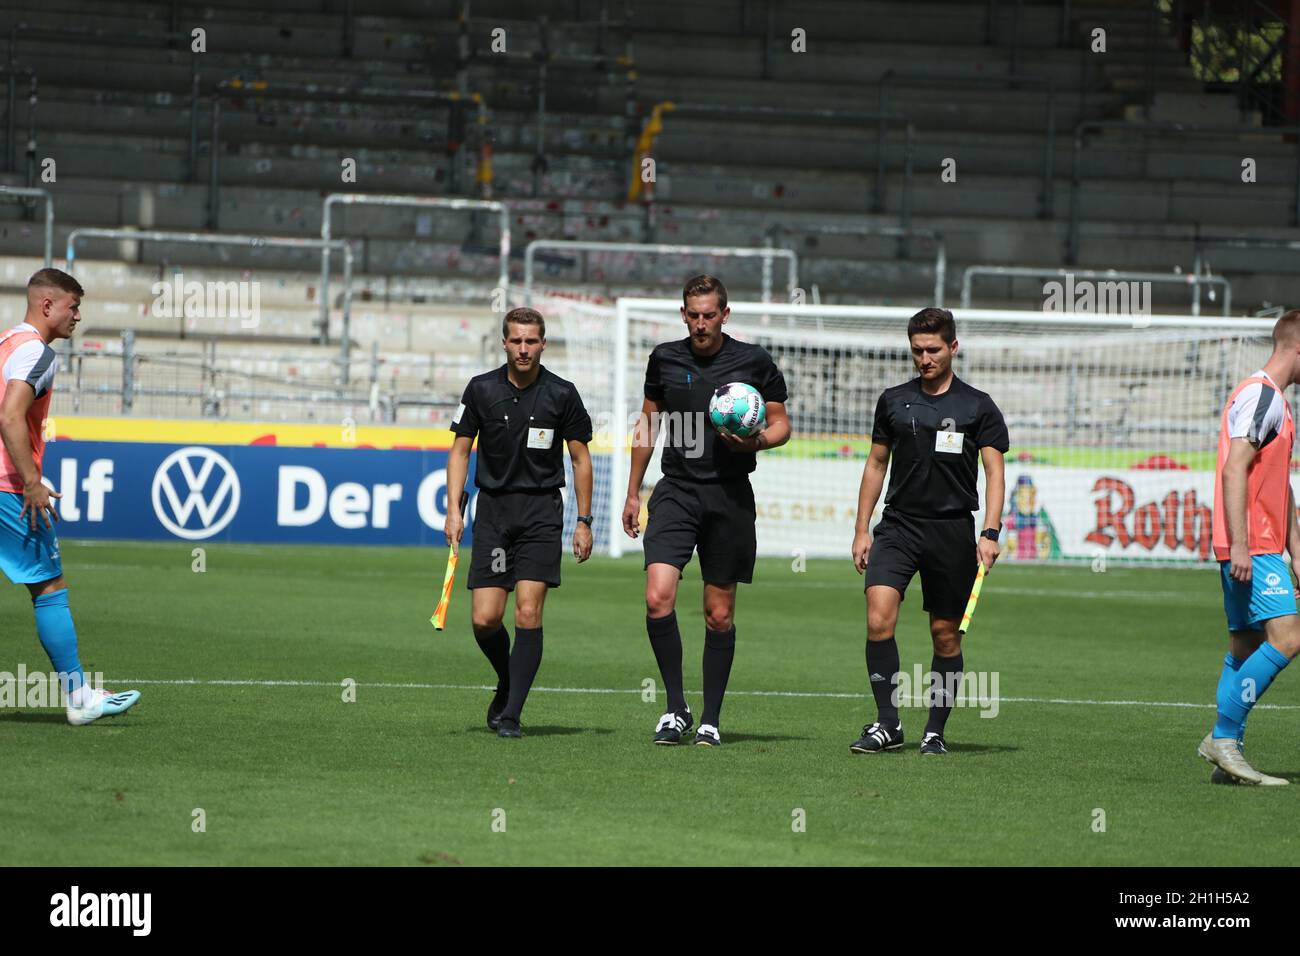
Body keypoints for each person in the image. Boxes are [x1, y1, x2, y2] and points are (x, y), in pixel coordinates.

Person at [622, 275, 790, 747]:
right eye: (693, 315)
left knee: (718, 614)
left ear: (725, 314)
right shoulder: (665, 359)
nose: (700, 323)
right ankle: (676, 709)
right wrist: (634, 491)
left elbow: (781, 424)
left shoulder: (753, 361)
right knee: (658, 596)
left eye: (709, 315)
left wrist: (756, 440)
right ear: (683, 315)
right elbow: (647, 423)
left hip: (729, 495)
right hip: (675, 490)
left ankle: (711, 720)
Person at [851, 307, 1007, 755]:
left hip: (952, 531)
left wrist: (990, 532)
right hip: (897, 526)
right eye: (917, 350)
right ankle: (887, 723)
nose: (925, 358)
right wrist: (863, 528)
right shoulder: (893, 400)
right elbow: (876, 463)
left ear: (953, 347)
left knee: (944, 634)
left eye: (933, 349)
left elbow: (995, 474)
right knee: (878, 616)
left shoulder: (978, 406)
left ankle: (935, 730)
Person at [444, 307, 594, 738]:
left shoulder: (562, 394)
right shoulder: (480, 389)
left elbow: (581, 458)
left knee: (528, 612)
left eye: (532, 341)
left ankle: (511, 713)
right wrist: (454, 509)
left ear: (543, 344)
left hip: (541, 515)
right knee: (485, 619)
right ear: (504, 343)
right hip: (493, 513)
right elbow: (460, 450)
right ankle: (508, 678)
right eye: (517, 341)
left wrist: (584, 520)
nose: (524, 348)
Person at [0, 268, 140, 725]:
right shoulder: (37, 353)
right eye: (72, 306)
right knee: (49, 587)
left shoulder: (5, 344)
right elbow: (10, 417)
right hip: (7, 489)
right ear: (47, 306)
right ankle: (80, 698)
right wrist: (31, 482)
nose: (77, 316)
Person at [1199, 309, 1300, 785]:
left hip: (1253, 542)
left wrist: (1296, 548)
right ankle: (1223, 735)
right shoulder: (1263, 396)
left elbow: (1280, 484)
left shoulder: (1271, 398)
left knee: (1245, 644)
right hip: (1251, 543)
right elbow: (1234, 468)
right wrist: (1242, 544)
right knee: (1289, 637)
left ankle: (1226, 753)